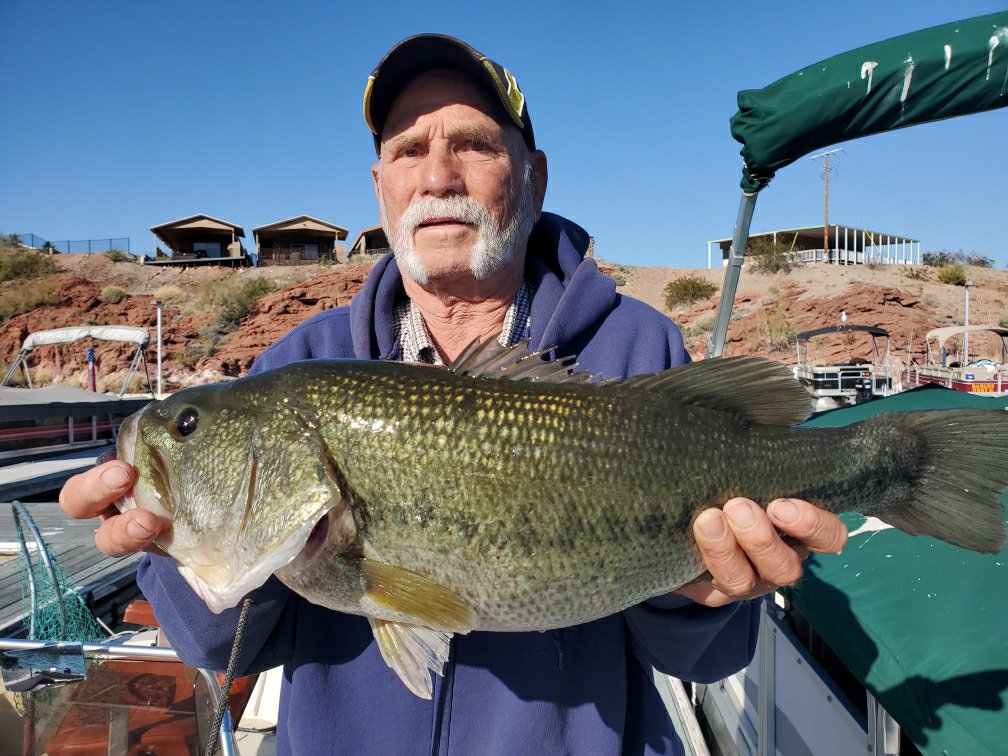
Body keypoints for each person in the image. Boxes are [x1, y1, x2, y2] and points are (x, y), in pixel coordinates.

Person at [61, 34, 848, 755]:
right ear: (380, 187)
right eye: (408, 150)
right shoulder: (298, 362)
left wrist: (705, 597)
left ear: (533, 177)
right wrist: (169, 544)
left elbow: (704, 659)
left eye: (473, 144)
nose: (437, 176)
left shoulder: (637, 350)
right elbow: (215, 643)